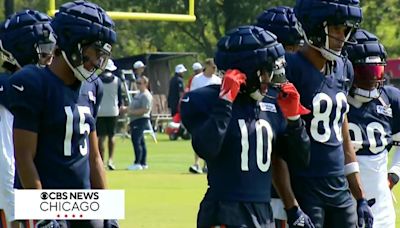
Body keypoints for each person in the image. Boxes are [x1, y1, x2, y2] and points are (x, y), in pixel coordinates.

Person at [181, 25, 313, 228]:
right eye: (266, 73)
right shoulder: (206, 99)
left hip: (263, 212)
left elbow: (300, 160)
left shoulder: (272, 103)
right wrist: (225, 102)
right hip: (225, 211)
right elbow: (206, 148)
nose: (270, 81)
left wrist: (295, 120)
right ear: (251, 71)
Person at [8, 1, 117, 227]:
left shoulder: (93, 86)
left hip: (84, 201)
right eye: (95, 51)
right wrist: (42, 213)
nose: (98, 61)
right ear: (73, 42)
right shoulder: (34, 83)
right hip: (43, 199)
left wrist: (108, 210)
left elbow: (94, 156)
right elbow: (24, 156)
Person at [278, 0, 374, 227]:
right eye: (335, 28)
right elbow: (277, 147)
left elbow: (343, 135)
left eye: (345, 29)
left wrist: (360, 196)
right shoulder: (291, 68)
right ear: (313, 27)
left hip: (339, 187)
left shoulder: (344, 68)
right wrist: (291, 206)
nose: (342, 36)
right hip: (305, 186)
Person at [0, 9, 55, 228]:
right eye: (45, 52)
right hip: (21, 199)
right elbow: (7, 162)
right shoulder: (11, 91)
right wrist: (18, 210)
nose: (52, 58)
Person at [344, 29, 400, 228]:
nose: (371, 80)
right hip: (343, 203)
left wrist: (393, 175)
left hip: (381, 208)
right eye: (364, 73)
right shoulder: (334, 100)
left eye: (376, 71)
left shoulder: (390, 99)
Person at [256, 6, 304, 228]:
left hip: (299, 190)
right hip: (259, 192)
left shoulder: (300, 84)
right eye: (288, 48)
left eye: (296, 47)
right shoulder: (258, 91)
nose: (293, 55)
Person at [188, 59, 222, 174]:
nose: (214, 69)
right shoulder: (197, 79)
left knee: (211, 139)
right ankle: (196, 163)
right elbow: (192, 95)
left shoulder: (218, 80)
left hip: (212, 113)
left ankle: (207, 164)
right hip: (200, 112)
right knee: (198, 138)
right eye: (213, 67)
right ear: (206, 66)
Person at [97, 59, 124, 170]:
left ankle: (101, 161)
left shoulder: (97, 80)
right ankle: (111, 160)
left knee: (101, 137)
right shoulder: (117, 80)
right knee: (111, 136)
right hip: (113, 111)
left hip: (100, 111)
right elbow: (120, 98)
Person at [127, 76, 153, 171]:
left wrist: (131, 112)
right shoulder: (139, 94)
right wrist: (126, 109)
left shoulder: (146, 95)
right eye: (137, 83)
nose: (138, 85)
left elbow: (145, 109)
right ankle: (143, 162)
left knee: (136, 141)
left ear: (145, 84)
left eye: (140, 83)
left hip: (141, 119)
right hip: (135, 120)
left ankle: (138, 162)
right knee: (141, 141)